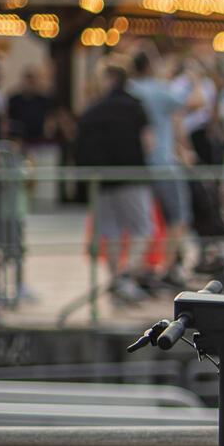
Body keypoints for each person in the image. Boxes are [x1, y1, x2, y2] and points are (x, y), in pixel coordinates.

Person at [71, 64, 152, 300]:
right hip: (131, 176)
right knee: (142, 229)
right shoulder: (134, 106)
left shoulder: (92, 110)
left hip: (100, 179)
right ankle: (125, 277)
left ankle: (117, 279)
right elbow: (149, 142)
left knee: (111, 232)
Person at [128, 51, 193, 280]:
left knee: (143, 221)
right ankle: (168, 268)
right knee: (176, 216)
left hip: (137, 166)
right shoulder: (159, 90)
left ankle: (138, 270)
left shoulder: (130, 90)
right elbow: (188, 100)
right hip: (163, 163)